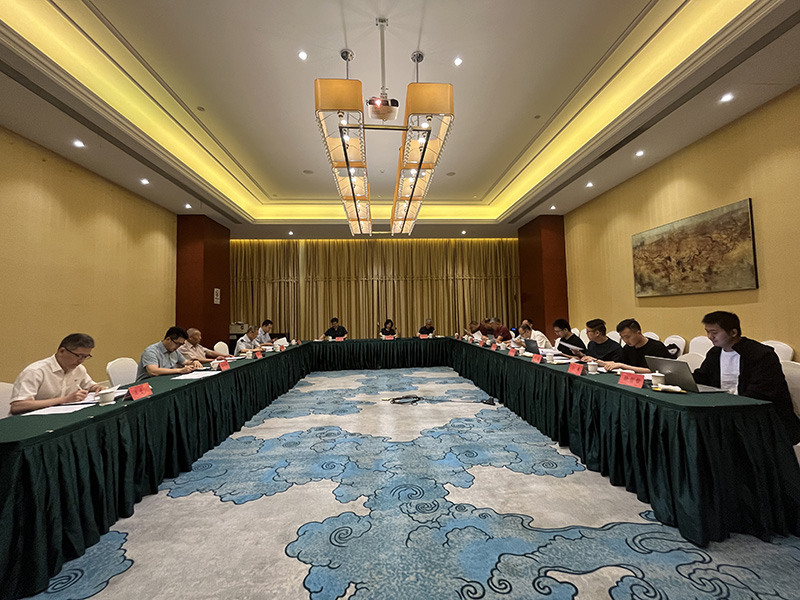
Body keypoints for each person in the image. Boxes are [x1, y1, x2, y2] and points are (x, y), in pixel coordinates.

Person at [693, 311, 800, 444]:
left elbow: (760, 392)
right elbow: (702, 378)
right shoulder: (715, 353)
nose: (710, 337)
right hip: (725, 411)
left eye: (714, 332)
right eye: (707, 332)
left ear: (733, 332)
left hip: (758, 416)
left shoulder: (760, 354)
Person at [9, 333, 106, 415]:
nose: (81, 360)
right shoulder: (35, 371)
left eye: (86, 356)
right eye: (79, 355)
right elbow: (18, 406)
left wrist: (98, 388)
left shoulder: (79, 369)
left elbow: (89, 386)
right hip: (31, 420)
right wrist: (65, 399)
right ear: (61, 351)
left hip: (62, 416)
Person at [600, 318, 671, 373]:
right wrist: (598, 361)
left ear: (638, 333)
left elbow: (653, 370)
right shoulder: (628, 347)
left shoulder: (656, 347)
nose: (625, 340)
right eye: (622, 337)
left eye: (627, 337)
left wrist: (623, 366)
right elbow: (619, 363)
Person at [137, 327, 202, 382]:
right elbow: (153, 371)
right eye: (178, 344)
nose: (179, 347)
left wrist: (194, 362)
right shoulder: (151, 351)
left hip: (166, 381)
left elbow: (185, 362)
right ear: (168, 339)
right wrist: (180, 370)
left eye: (181, 344)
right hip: (147, 384)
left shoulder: (174, 351)